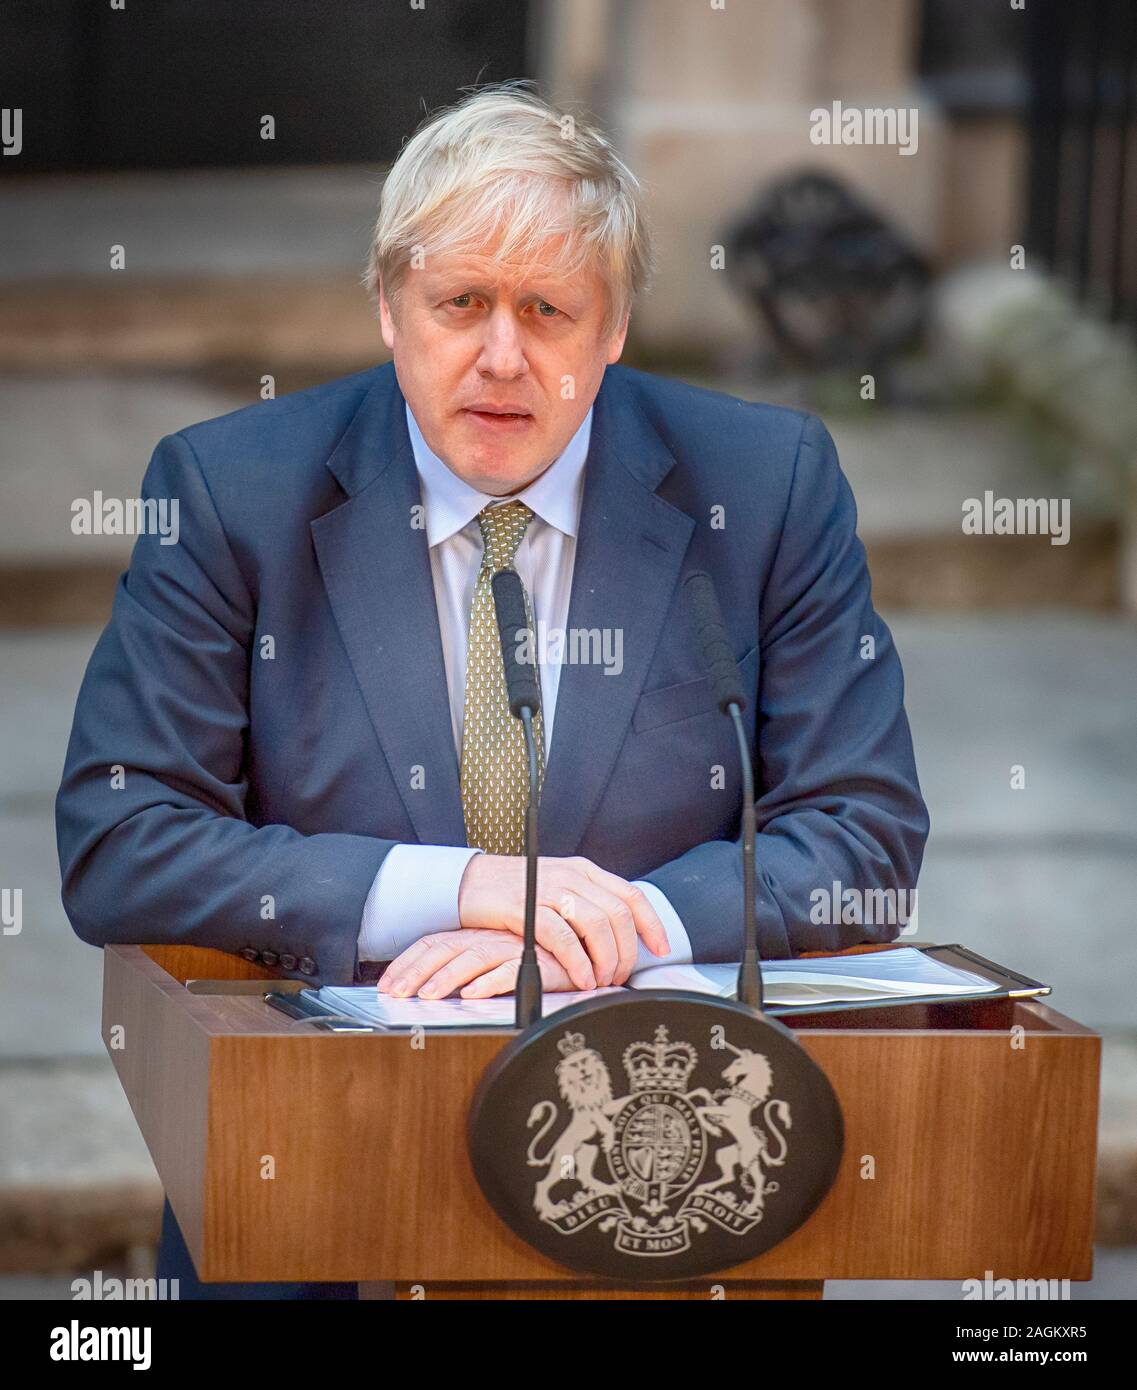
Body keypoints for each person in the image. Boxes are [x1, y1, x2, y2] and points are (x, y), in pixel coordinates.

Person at [55, 82, 929, 1297]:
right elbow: (120, 837)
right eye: (460, 302)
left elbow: (865, 832)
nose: (502, 357)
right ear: (388, 306)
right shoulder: (228, 494)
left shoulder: (765, 488)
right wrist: (452, 889)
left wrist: (625, 926)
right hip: (315, 1178)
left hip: (655, 1206)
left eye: (548, 309)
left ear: (613, 327)